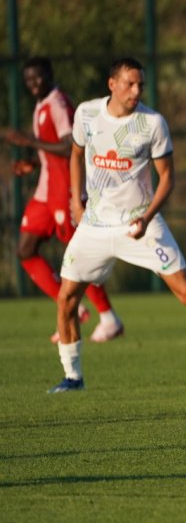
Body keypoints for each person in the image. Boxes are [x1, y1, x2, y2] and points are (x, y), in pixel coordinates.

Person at [48, 57, 186, 393]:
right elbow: (76, 153)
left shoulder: (152, 124)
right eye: (130, 84)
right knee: (66, 300)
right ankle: (72, 377)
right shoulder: (87, 114)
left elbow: (167, 178)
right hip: (94, 226)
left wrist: (146, 218)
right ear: (112, 84)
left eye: (140, 85)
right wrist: (76, 201)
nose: (136, 91)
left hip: (141, 225)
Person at [3, 57, 124, 343]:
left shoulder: (57, 104)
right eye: (29, 80)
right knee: (25, 250)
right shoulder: (41, 105)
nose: (34, 84)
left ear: (49, 75)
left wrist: (30, 143)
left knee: (80, 257)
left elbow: (71, 145)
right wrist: (35, 161)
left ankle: (108, 318)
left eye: (39, 77)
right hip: (46, 193)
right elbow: (53, 150)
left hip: (65, 192)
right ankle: (72, 308)